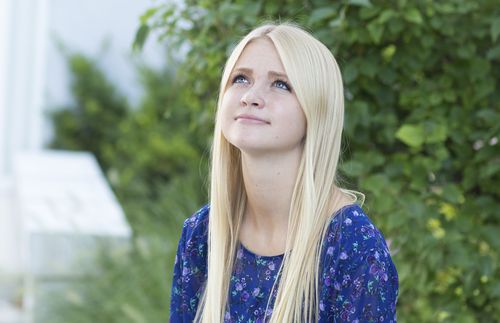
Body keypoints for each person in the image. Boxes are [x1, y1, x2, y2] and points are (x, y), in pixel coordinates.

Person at [170, 22, 398, 323]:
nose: (251, 96)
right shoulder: (202, 234)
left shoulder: (352, 246)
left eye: (281, 84)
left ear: (316, 110)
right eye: (240, 78)